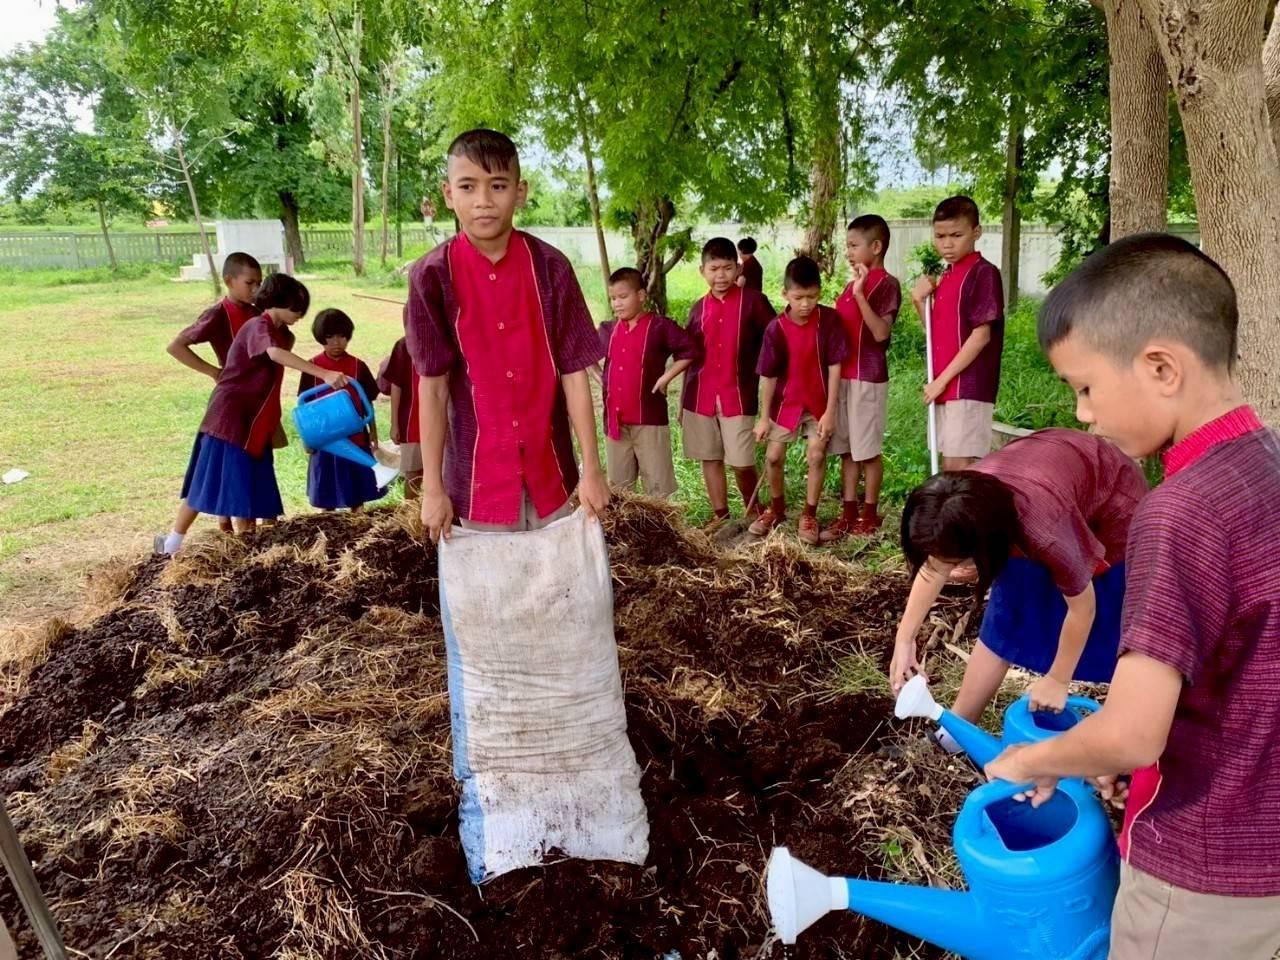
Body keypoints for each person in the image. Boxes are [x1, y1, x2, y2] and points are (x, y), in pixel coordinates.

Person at [984, 234, 1280, 960]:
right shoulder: (1266, 461)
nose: (1082, 414)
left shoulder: (1179, 512)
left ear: (1160, 368)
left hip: (1200, 872)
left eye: (1084, 387)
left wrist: (1027, 763)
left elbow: (1133, 731)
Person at [405, 128, 608, 540]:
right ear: (448, 193)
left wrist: (592, 469)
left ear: (519, 191)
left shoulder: (552, 268)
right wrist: (432, 487)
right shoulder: (431, 276)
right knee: (489, 599)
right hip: (478, 480)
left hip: (552, 471)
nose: (483, 200)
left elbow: (574, 374)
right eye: (468, 186)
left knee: (557, 591)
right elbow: (433, 387)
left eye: (498, 185)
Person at [890, 429, 1147, 741]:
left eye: (956, 561)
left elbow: (1084, 607)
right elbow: (934, 567)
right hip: (1050, 479)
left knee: (1112, 623)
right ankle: (957, 732)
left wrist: (1057, 678)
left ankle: (1128, 737)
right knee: (1007, 610)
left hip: (1112, 507)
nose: (949, 569)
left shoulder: (1043, 529)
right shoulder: (961, 502)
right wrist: (905, 641)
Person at [154, 275, 347, 555]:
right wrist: (324, 373)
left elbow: (280, 348)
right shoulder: (258, 325)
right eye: (296, 308)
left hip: (254, 421)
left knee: (248, 485)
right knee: (210, 481)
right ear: (280, 303)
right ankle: (173, 543)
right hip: (230, 418)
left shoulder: (276, 330)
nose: (299, 315)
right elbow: (275, 354)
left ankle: (248, 548)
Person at [749, 256, 847, 544]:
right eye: (798, 297)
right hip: (785, 404)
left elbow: (835, 367)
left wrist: (830, 412)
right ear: (785, 295)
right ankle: (776, 509)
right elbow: (767, 375)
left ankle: (809, 514)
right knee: (773, 456)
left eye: (812, 297)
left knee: (816, 455)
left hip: (818, 403)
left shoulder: (829, 321)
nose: (805, 304)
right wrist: (764, 417)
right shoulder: (775, 329)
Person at [680, 237, 775, 529]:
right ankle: (720, 515)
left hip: (739, 393)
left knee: (741, 460)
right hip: (701, 396)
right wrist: (683, 402)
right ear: (702, 271)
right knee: (709, 456)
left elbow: (775, 341)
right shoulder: (697, 309)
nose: (720, 276)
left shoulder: (754, 302)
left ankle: (755, 510)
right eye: (714, 269)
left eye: (727, 268)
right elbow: (689, 357)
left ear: (737, 268)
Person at [166, 252, 263, 533]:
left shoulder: (258, 314)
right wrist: (213, 371)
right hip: (231, 404)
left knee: (250, 469)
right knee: (228, 468)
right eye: (249, 283)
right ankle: (229, 529)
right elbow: (176, 346)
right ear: (229, 281)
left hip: (255, 403)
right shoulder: (218, 314)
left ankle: (239, 527)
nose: (255, 289)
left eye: (259, 283)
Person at [910, 196, 1004, 470]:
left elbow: (981, 335)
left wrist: (942, 381)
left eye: (956, 235)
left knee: (957, 468)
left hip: (967, 386)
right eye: (940, 236)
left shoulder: (983, 273)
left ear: (976, 232)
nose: (947, 244)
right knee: (947, 466)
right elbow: (936, 334)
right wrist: (918, 301)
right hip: (943, 385)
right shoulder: (946, 277)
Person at [824, 215, 902, 541]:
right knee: (846, 449)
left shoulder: (886, 284)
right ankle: (848, 512)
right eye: (847, 247)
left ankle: (870, 514)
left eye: (854, 246)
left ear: (876, 246)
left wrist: (859, 295)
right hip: (842, 377)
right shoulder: (848, 284)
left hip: (868, 378)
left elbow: (881, 333)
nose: (849, 253)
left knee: (867, 450)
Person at [597, 267, 697, 499]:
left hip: (648, 418)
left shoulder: (659, 326)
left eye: (624, 297)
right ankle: (627, 534)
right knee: (620, 491)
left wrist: (665, 378)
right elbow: (583, 354)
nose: (617, 304)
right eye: (613, 299)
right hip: (615, 422)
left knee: (657, 486)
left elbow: (690, 350)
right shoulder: (609, 330)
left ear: (641, 296)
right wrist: (598, 376)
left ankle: (659, 532)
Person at [298, 308, 383, 512]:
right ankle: (327, 526)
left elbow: (367, 402)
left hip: (355, 438)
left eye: (342, 336)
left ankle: (358, 522)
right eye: (330, 337)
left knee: (357, 490)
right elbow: (304, 408)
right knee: (326, 492)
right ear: (321, 338)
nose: (336, 342)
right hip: (325, 441)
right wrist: (306, 439)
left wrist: (373, 432)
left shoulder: (357, 366)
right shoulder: (312, 367)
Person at [378, 334, 423, 498]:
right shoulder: (404, 346)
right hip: (411, 423)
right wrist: (394, 423)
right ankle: (410, 515)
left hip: (443, 424)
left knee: (443, 475)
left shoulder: (447, 339)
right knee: (413, 474)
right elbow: (395, 386)